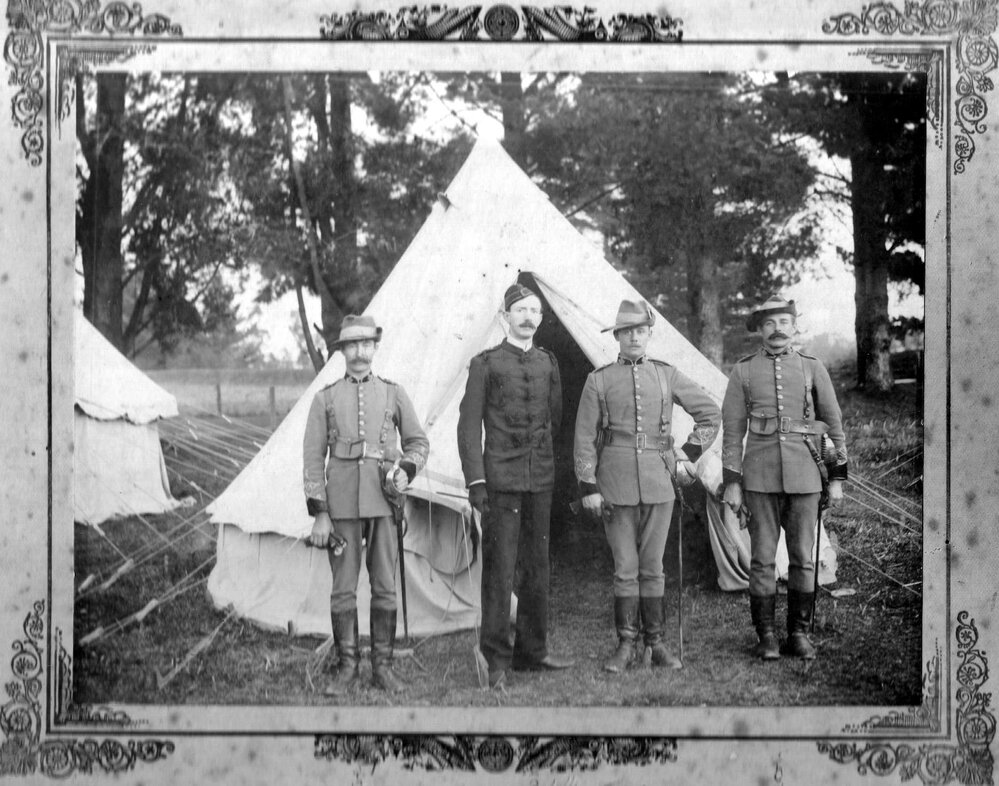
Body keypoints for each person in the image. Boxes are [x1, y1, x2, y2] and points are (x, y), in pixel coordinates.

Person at [574, 300, 721, 673]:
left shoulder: (666, 374)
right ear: (617, 337)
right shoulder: (599, 379)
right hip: (614, 481)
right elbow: (584, 437)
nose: (634, 337)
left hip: (660, 481)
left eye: (641, 331)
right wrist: (588, 485)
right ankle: (625, 644)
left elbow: (710, 412)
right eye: (627, 332)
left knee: (653, 567)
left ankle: (655, 643)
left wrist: (688, 453)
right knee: (625, 567)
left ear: (649, 335)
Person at [303, 314, 429, 695]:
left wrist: (406, 471)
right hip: (340, 507)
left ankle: (383, 668)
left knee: (386, 587)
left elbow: (418, 443)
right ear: (341, 351)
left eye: (366, 344)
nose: (359, 352)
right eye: (351, 345)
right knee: (343, 589)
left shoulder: (393, 393)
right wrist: (320, 513)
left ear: (375, 348)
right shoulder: (324, 398)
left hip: (383, 502)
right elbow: (312, 460)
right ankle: (347, 668)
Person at [457, 282, 573, 688]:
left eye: (534, 311)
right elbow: (469, 428)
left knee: (536, 567)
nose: (528, 317)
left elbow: (554, 421)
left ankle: (532, 652)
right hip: (500, 482)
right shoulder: (485, 364)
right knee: (500, 571)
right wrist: (477, 482)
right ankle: (497, 660)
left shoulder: (548, 363)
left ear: (541, 319)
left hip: (538, 477)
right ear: (505, 317)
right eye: (520, 310)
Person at [721, 295, 847, 661]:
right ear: (760, 330)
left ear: (795, 327)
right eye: (770, 324)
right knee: (761, 559)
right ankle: (766, 636)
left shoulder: (812, 368)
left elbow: (834, 426)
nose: (777, 331)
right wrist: (732, 481)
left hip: (806, 477)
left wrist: (836, 478)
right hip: (759, 479)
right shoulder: (743, 371)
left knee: (802, 558)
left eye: (784, 323)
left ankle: (799, 633)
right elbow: (732, 430)